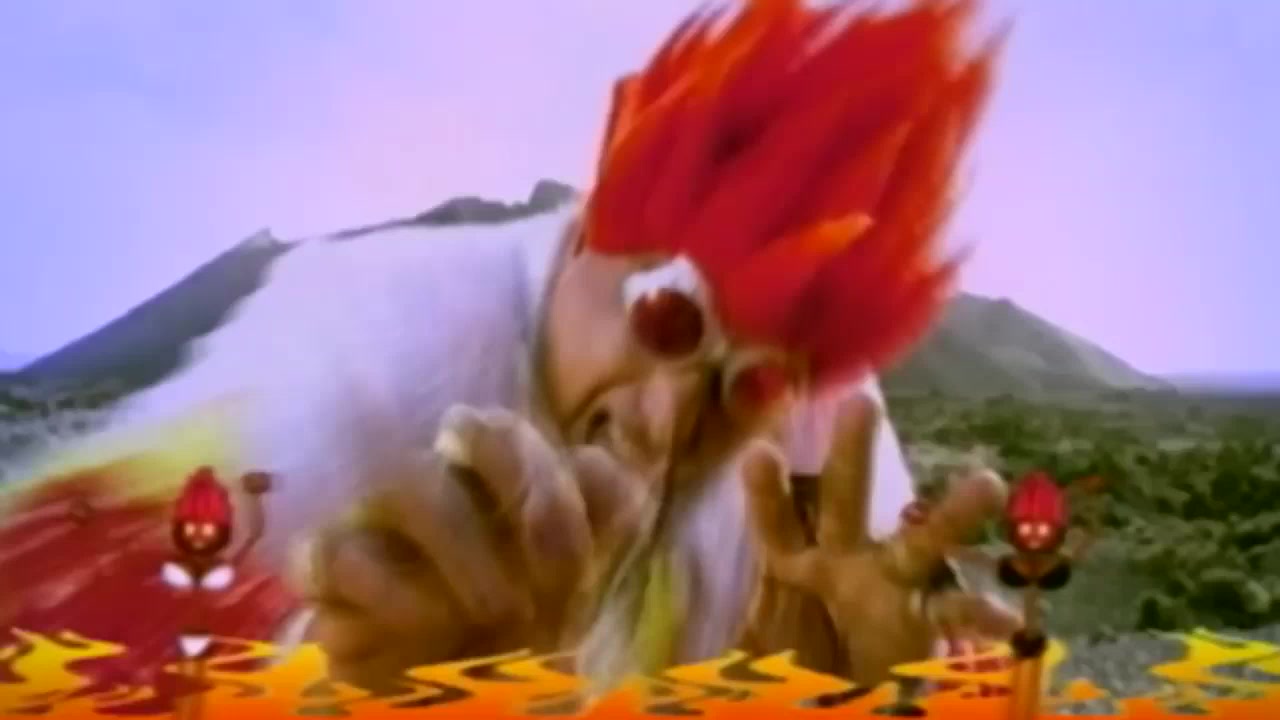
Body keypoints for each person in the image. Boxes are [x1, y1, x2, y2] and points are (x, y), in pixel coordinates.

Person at [0, 0, 1018, 699]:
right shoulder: (354, 363)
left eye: (743, 387)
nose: (665, 419)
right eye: (665, 319)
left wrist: (886, 700)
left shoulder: (820, 477)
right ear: (581, 242)